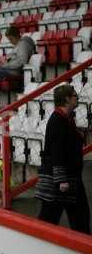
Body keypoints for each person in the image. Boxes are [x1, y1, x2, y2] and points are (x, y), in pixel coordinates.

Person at [36, 84, 90, 234]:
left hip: (71, 179)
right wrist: (61, 180)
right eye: (74, 95)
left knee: (80, 218)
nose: (77, 97)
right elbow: (56, 152)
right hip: (60, 182)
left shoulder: (66, 119)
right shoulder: (57, 120)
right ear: (67, 99)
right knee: (49, 219)